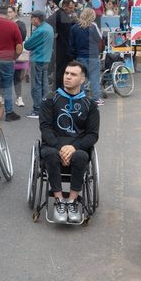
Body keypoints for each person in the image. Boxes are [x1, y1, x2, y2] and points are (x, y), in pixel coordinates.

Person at [38, 61, 100, 224]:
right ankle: (59, 201)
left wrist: (73, 147)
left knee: (80, 156)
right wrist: (60, 147)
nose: (68, 77)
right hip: (52, 146)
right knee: (50, 155)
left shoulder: (90, 105)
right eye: (66, 73)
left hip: (78, 148)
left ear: (82, 79)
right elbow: (45, 128)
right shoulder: (50, 99)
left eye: (73, 74)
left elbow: (92, 135)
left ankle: (72, 202)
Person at [22, 10, 55, 117]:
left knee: (36, 85)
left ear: (37, 19)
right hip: (46, 58)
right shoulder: (49, 28)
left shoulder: (40, 31)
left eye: (32, 17)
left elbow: (27, 45)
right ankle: (45, 106)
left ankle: (37, 109)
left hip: (38, 58)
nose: (31, 19)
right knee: (44, 83)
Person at [70, 8, 104, 104]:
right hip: (93, 55)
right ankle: (96, 98)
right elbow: (99, 39)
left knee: (81, 78)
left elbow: (72, 43)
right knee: (94, 78)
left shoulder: (74, 27)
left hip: (80, 55)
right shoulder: (93, 26)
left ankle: (80, 97)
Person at [6, 7, 29, 107]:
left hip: (17, 54)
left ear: (15, 13)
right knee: (4, 76)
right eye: (7, 12)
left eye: (10, 12)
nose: (8, 14)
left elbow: (22, 37)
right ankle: (3, 96)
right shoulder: (4, 23)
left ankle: (19, 97)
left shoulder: (20, 24)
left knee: (17, 76)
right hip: (5, 54)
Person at [53, 0, 79, 88]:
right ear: (64, 6)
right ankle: (59, 89)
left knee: (62, 70)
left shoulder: (62, 15)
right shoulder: (61, 15)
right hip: (62, 48)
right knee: (61, 70)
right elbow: (67, 33)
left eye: (73, 8)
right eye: (70, 8)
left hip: (63, 47)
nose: (72, 10)